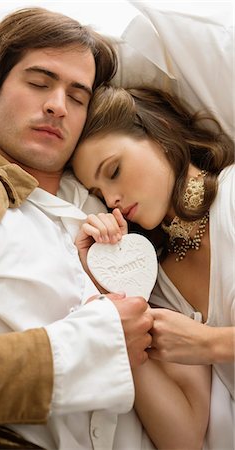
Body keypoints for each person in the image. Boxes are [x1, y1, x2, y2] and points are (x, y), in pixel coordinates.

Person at [0, 7, 157, 449]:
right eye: (39, 83)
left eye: (77, 97)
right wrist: (85, 351)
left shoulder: (128, 208)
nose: (57, 104)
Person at [71, 84, 235, 449]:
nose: (110, 199)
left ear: (158, 134)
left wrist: (212, 343)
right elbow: (185, 436)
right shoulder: (155, 281)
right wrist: (113, 303)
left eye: (113, 171)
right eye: (97, 193)